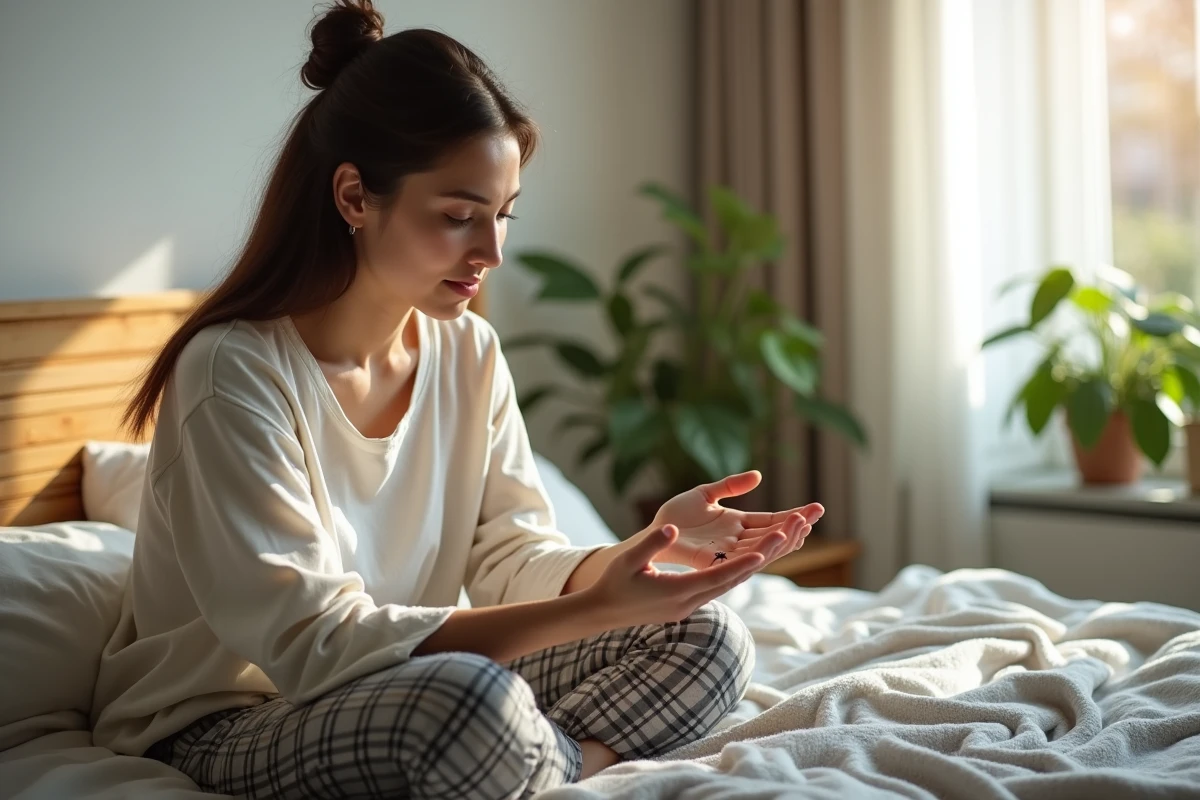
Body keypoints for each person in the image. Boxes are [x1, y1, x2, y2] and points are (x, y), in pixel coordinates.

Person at [90, 2, 823, 798]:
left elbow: (510, 558)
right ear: (353, 197)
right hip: (228, 718)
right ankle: (546, 760)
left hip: (407, 679)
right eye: (458, 216)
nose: (492, 251)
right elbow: (309, 644)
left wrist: (641, 551)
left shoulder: (468, 351)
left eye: (502, 215)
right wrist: (592, 613)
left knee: (708, 637)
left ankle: (539, 764)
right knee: (470, 702)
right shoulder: (232, 370)